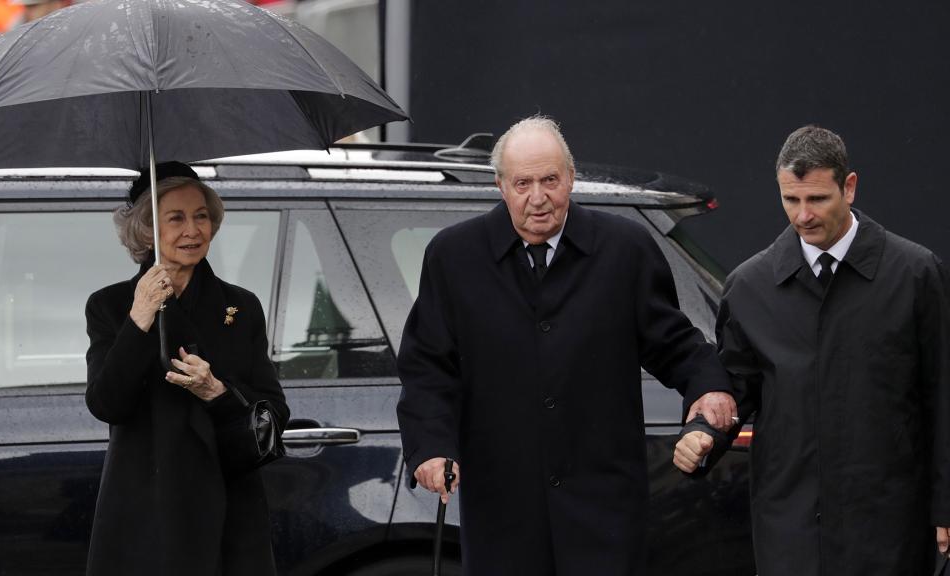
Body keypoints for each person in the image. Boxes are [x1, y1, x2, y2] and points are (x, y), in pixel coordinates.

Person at [396, 115, 737, 575]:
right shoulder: (453, 257)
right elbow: (427, 367)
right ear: (500, 187)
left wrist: (709, 389)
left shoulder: (624, 250)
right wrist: (432, 446)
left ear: (571, 178)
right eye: (523, 184)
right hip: (503, 515)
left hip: (604, 512)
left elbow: (675, 344)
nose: (538, 198)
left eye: (550, 180)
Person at [673, 125, 950, 575]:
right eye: (790, 199)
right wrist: (704, 431)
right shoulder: (750, 287)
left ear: (850, 187)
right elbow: (734, 390)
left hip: (889, 527)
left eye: (817, 199)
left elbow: (943, 394)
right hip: (790, 528)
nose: (803, 216)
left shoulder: (915, 274)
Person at [85, 161, 289, 576]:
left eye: (201, 216)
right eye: (175, 218)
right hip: (148, 507)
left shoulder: (241, 306)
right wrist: (140, 317)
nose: (193, 230)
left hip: (229, 503)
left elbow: (274, 410)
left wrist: (217, 391)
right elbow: (107, 403)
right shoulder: (110, 305)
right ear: (145, 231)